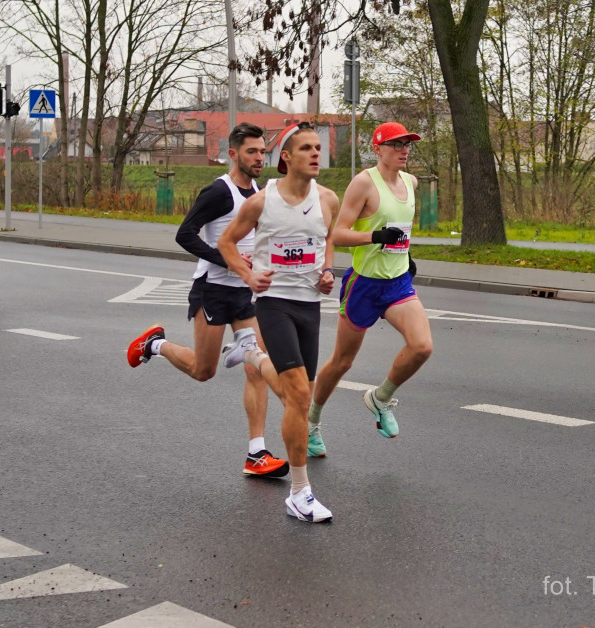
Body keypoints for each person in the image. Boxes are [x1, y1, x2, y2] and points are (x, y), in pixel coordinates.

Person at [126, 123, 288, 479]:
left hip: (245, 292)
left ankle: (256, 453)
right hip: (212, 289)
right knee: (204, 370)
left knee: (256, 367)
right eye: (252, 152)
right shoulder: (219, 192)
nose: (260, 157)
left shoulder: (261, 192)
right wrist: (226, 259)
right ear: (233, 154)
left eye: (262, 151)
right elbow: (185, 234)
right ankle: (155, 345)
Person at [218, 122, 339, 523]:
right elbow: (226, 243)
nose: (316, 154)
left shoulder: (328, 199)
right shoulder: (261, 202)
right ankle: (300, 492)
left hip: (309, 305)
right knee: (300, 398)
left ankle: (250, 353)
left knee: (298, 396)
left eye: (318, 147)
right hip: (273, 304)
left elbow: (328, 241)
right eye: (306, 148)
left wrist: (327, 272)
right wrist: (248, 275)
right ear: (286, 157)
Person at [306, 122, 433, 456]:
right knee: (342, 362)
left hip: (398, 282)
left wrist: (406, 253)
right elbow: (339, 233)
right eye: (395, 144)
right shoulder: (364, 183)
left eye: (407, 144)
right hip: (364, 284)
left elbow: (400, 229)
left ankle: (381, 398)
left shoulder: (411, 181)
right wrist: (376, 237)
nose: (404, 149)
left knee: (422, 347)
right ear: (378, 149)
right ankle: (311, 422)